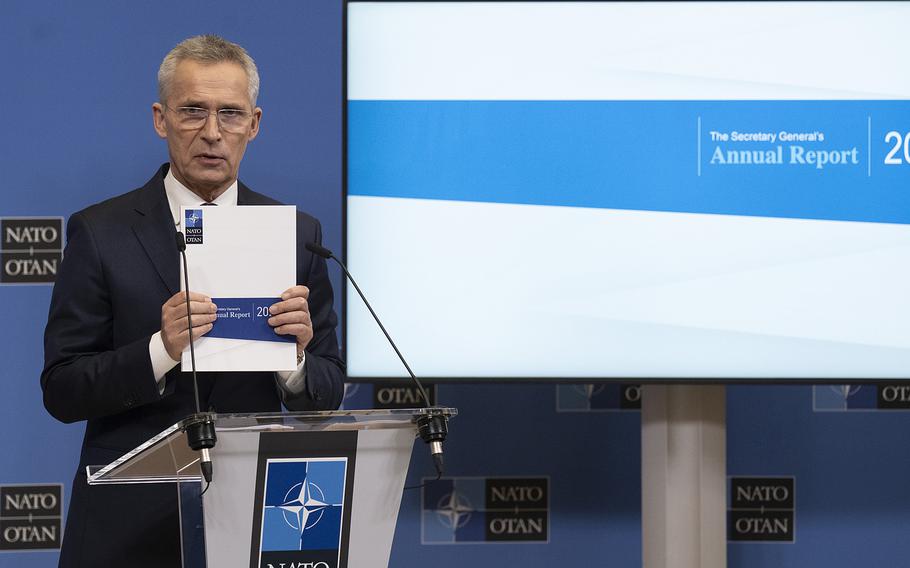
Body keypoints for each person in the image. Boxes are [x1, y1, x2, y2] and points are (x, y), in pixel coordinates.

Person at [41, 35, 344, 567]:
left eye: (230, 114)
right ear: (160, 119)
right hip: (128, 525)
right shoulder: (100, 232)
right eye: (192, 112)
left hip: (257, 514)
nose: (212, 132)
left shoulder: (297, 236)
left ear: (254, 124)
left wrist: (294, 363)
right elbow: (63, 389)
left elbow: (328, 389)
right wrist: (161, 350)